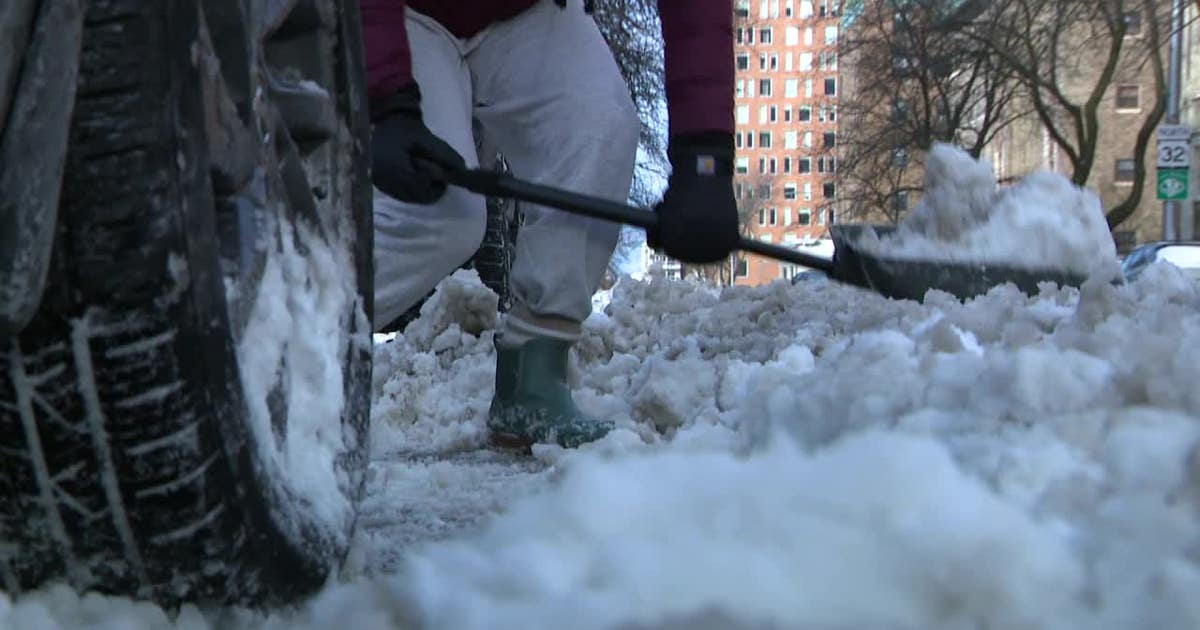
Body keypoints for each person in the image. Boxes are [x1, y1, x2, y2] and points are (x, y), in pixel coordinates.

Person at [363, 0, 739, 449]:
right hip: (395, 14)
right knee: (441, 209)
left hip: (523, 11)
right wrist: (387, 101)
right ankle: (283, 345)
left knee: (598, 125)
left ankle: (533, 377)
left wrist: (705, 160)